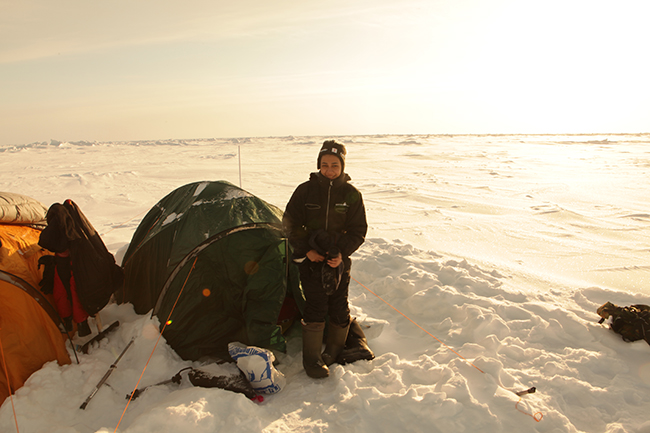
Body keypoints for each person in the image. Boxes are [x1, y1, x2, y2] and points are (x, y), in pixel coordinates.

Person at [283, 140, 368, 378]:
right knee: (316, 305)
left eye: (334, 165)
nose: (329, 170)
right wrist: (305, 250)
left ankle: (333, 352)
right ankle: (312, 359)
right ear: (318, 165)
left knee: (339, 306)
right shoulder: (305, 191)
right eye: (324, 165)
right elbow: (290, 223)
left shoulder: (352, 195)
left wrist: (341, 253)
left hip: (338, 262)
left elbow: (358, 230)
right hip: (311, 261)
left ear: (342, 165)